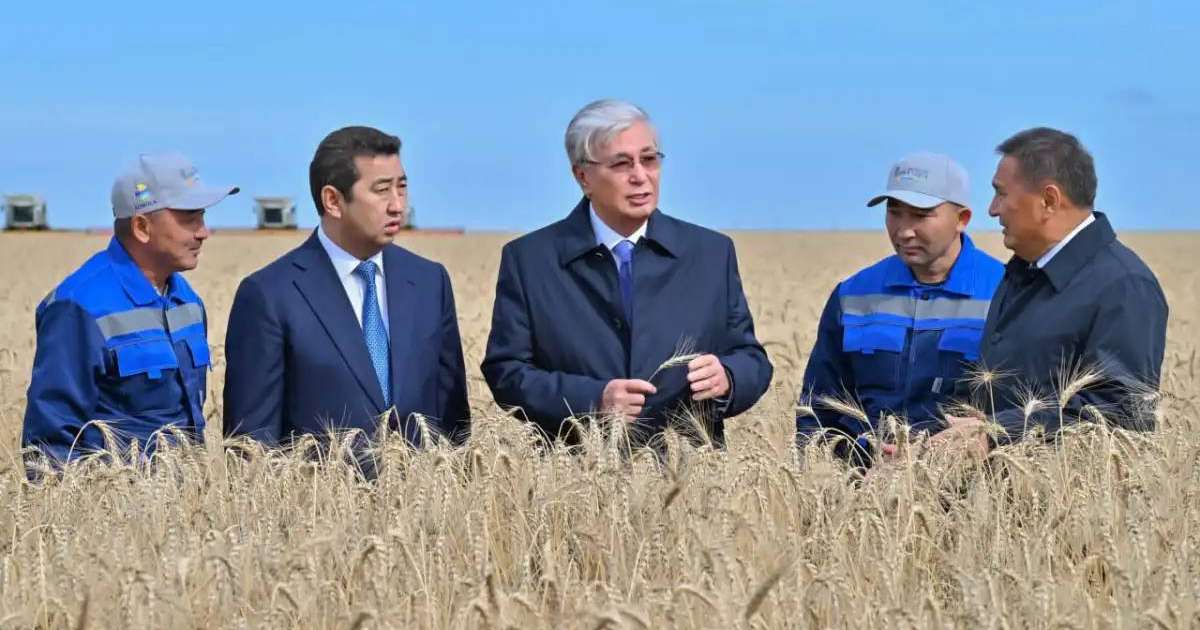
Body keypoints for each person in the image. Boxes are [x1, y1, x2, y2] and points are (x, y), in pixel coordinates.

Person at [481, 99, 772, 447]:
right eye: (621, 164)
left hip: (691, 483)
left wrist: (728, 377)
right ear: (582, 176)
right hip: (572, 484)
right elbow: (506, 373)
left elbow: (751, 358)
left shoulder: (710, 253)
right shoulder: (530, 261)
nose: (640, 176)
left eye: (649, 160)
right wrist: (594, 399)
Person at [222, 126, 470, 454]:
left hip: (422, 501)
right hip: (317, 502)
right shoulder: (270, 295)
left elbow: (454, 425)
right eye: (382, 190)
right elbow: (251, 447)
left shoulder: (429, 282)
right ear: (333, 201)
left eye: (402, 187)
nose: (398, 205)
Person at [935, 127, 1167, 457]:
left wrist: (996, 434)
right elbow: (990, 397)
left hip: (1068, 502)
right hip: (997, 501)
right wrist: (927, 446)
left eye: (1001, 194)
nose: (992, 209)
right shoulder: (1021, 273)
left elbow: (1120, 416)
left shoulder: (1125, 286)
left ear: (1048, 200)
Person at [22, 152, 236, 472]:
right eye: (189, 217)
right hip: (115, 513)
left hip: (184, 511)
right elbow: (50, 448)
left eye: (202, 216)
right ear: (141, 226)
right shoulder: (78, 307)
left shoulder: (187, 302)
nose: (204, 232)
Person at [797, 153, 1004, 466]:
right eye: (894, 213)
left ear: (962, 219)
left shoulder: (1004, 293)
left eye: (921, 215)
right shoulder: (853, 294)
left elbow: (1028, 410)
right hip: (866, 496)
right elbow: (819, 409)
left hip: (971, 496)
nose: (904, 231)